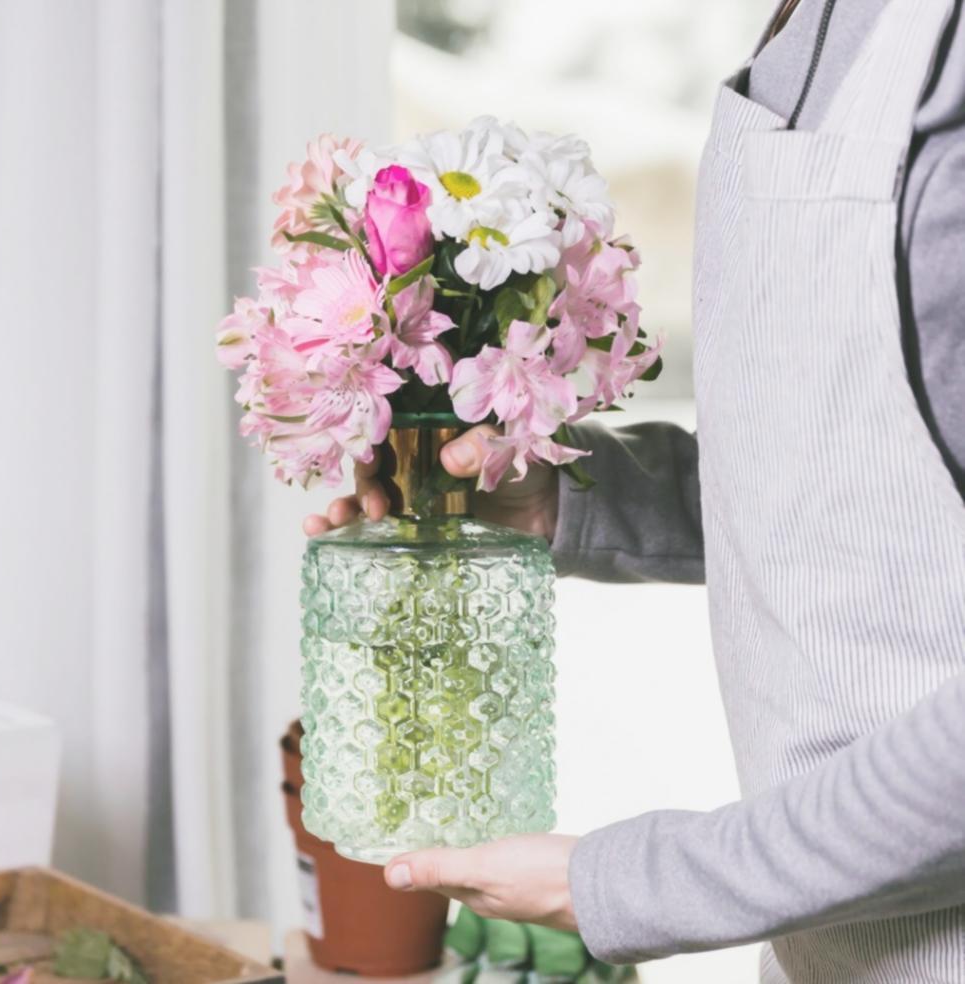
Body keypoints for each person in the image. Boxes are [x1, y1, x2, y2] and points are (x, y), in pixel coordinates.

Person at [304, 0, 965, 980]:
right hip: (834, 947)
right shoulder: (816, 32)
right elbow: (868, 480)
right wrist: (568, 499)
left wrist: (629, 884)